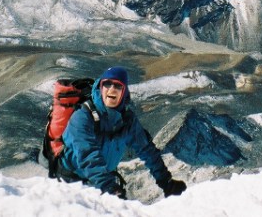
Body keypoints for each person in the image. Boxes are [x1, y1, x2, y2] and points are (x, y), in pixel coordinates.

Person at [55, 66, 187, 199]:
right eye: (107, 84)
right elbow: (87, 155)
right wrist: (108, 186)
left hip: (101, 181)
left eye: (118, 86)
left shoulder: (126, 121)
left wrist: (166, 182)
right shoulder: (83, 117)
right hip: (70, 181)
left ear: (124, 92)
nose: (112, 88)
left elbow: (147, 150)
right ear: (100, 88)